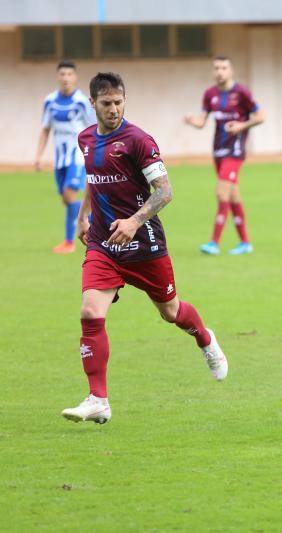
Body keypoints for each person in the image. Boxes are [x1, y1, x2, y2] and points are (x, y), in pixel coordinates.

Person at [61, 72, 228, 425]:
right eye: (106, 103)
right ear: (92, 103)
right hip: (104, 244)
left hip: (145, 243)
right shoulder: (86, 139)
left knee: (170, 311)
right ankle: (98, 399)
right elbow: (95, 181)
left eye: (119, 102)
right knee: (91, 313)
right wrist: (81, 218)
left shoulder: (138, 141)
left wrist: (135, 221)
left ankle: (205, 339)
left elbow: (165, 191)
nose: (114, 109)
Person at [184, 55, 264, 256]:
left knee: (222, 193)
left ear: (231, 71)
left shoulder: (242, 93)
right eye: (217, 68)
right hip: (218, 151)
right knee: (232, 194)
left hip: (235, 151)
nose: (220, 71)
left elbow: (261, 116)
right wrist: (192, 121)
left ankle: (214, 242)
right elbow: (202, 122)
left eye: (224, 67)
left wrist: (242, 126)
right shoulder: (210, 94)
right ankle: (245, 243)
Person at [34, 59, 95, 254]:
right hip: (59, 158)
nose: (66, 78)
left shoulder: (82, 102)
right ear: (58, 77)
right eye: (62, 74)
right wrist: (38, 156)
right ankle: (93, 218)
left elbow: (95, 128)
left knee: (70, 196)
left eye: (69, 74)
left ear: (75, 77)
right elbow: (45, 130)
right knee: (67, 200)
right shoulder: (50, 101)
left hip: (77, 156)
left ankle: (72, 240)